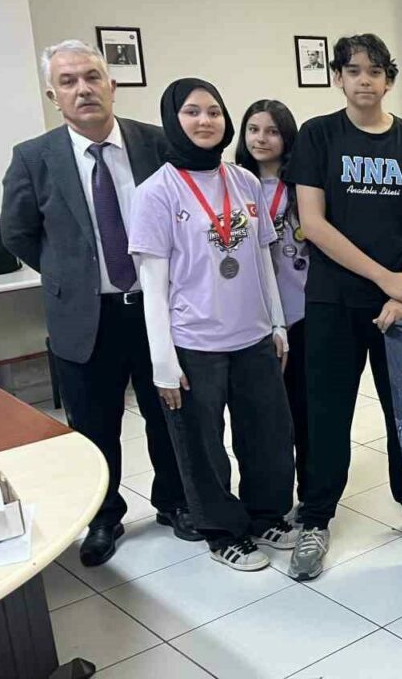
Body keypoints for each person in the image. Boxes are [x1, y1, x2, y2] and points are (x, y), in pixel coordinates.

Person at [0, 40, 198, 567]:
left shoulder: (156, 143)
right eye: (68, 81)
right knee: (94, 424)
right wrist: (72, 275)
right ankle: (104, 516)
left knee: (168, 413)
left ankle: (175, 502)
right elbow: (18, 232)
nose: (82, 89)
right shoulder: (33, 158)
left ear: (112, 85)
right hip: (85, 318)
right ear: (53, 95)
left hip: (157, 310)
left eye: (91, 77)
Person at [284, 34, 402, 581]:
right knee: (327, 412)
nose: (365, 80)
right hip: (334, 300)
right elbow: (313, 223)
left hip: (401, 305)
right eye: (354, 70)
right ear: (339, 77)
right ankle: (316, 518)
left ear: (389, 80)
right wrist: (385, 279)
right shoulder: (318, 135)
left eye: (375, 71)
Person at [127, 78, 295, 571]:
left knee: (267, 436)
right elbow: (152, 285)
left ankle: (266, 515)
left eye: (214, 111)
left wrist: (278, 324)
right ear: (172, 120)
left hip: (254, 336)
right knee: (203, 447)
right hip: (194, 341)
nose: (205, 121)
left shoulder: (243, 181)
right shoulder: (155, 192)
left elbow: (262, 258)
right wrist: (162, 362)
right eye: (192, 111)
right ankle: (222, 532)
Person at [234, 99, 309, 498]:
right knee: (262, 414)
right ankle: (268, 493)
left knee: (305, 408)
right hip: (255, 317)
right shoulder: (233, 185)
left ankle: (309, 488)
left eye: (272, 131)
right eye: (253, 130)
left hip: (303, 312)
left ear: (287, 137)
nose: (261, 139)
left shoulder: (304, 186)